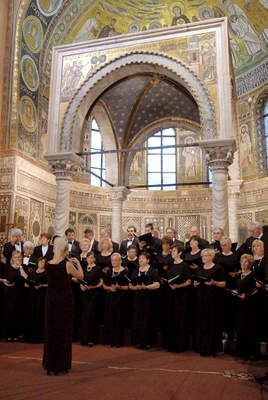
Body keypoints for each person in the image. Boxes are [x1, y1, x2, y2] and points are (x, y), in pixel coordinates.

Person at [42, 237, 83, 375]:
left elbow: (57, 279)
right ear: (64, 249)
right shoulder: (67, 265)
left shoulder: (49, 264)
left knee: (51, 332)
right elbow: (81, 276)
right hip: (64, 302)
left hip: (50, 301)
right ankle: (61, 365)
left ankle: (50, 365)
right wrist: (78, 263)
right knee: (63, 332)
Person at [194, 248, 226, 356]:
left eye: (206, 256)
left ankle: (212, 348)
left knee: (211, 323)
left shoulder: (218, 268)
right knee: (201, 322)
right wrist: (195, 284)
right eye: (203, 256)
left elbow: (224, 284)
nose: (204, 258)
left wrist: (214, 283)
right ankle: (202, 347)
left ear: (212, 256)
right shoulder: (199, 269)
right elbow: (195, 282)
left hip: (213, 300)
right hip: (201, 299)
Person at [163, 244, 191, 352]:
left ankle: (180, 345)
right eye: (172, 251)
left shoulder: (185, 265)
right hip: (170, 295)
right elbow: (168, 278)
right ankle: (170, 344)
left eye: (174, 251)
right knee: (170, 318)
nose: (172, 252)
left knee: (180, 319)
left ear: (180, 253)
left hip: (181, 295)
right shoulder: (170, 264)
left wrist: (178, 286)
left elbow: (189, 281)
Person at [130, 252, 160, 349]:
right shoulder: (135, 270)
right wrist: (136, 287)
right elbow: (130, 285)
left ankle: (147, 342)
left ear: (148, 260)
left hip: (149, 298)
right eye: (139, 258)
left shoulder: (152, 271)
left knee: (147, 319)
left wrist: (146, 287)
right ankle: (138, 341)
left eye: (143, 258)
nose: (140, 260)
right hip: (138, 297)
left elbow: (157, 284)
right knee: (138, 318)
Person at [235, 254, 260, 360]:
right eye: (242, 262)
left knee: (250, 329)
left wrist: (247, 295)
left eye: (246, 262)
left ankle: (253, 353)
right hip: (240, 305)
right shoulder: (239, 275)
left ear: (249, 264)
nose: (243, 264)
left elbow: (257, 290)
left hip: (250, 305)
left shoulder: (253, 275)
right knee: (241, 327)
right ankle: (242, 352)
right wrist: (235, 292)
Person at [215, 236, 240, 342]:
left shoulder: (235, 256)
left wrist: (236, 273)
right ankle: (222, 332)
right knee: (221, 310)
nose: (223, 247)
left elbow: (241, 270)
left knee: (231, 310)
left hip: (231, 285)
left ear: (230, 245)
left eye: (225, 245)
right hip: (220, 286)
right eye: (221, 245)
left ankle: (231, 334)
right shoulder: (217, 256)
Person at [103, 253, 130, 347]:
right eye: (112, 260)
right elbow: (104, 285)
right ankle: (110, 341)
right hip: (110, 297)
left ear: (120, 261)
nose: (113, 262)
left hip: (121, 298)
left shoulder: (125, 271)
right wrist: (109, 288)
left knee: (118, 319)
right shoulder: (109, 272)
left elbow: (128, 287)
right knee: (110, 318)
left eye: (115, 260)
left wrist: (119, 287)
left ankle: (118, 341)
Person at [79, 252, 103, 347]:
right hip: (84, 294)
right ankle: (84, 339)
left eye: (92, 257)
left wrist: (92, 287)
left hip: (93, 294)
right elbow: (80, 279)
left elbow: (101, 282)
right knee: (84, 316)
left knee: (91, 316)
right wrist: (81, 285)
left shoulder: (98, 269)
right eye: (88, 257)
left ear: (94, 259)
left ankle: (92, 339)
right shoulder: (84, 269)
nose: (90, 259)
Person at [2, 251, 26, 341]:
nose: (18, 259)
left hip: (21, 294)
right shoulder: (8, 267)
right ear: (12, 258)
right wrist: (4, 281)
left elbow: (26, 279)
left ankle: (17, 334)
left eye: (19, 257)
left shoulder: (23, 267)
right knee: (10, 313)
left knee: (19, 313)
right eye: (16, 257)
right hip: (10, 294)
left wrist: (21, 269)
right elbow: (7, 278)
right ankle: (9, 334)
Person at [24, 257, 47, 342]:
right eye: (40, 261)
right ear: (37, 262)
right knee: (31, 314)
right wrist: (27, 284)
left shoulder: (46, 273)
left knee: (39, 315)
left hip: (41, 297)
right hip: (32, 296)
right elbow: (26, 284)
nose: (41, 263)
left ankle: (39, 337)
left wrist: (41, 286)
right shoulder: (32, 272)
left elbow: (50, 285)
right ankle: (29, 336)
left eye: (43, 262)